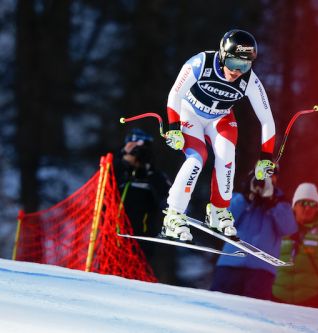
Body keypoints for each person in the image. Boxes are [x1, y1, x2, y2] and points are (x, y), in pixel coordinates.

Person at [159, 29, 276, 242]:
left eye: (245, 65)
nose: (237, 72)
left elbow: (267, 119)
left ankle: (218, 211)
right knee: (197, 159)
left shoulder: (250, 81)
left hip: (220, 118)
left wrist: (266, 158)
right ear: (222, 55)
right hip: (190, 113)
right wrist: (174, 126)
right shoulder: (200, 63)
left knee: (227, 156)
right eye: (233, 64)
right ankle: (174, 215)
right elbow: (175, 93)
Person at [210, 169, 296, 300]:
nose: (266, 179)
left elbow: (289, 228)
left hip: (261, 270)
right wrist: (246, 197)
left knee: (252, 314)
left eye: (271, 175)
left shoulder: (282, 204)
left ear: (276, 179)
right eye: (262, 174)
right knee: (218, 305)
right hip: (230, 264)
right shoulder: (239, 198)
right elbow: (223, 220)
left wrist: (272, 204)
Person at [114, 128, 177, 284]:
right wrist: (125, 163)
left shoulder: (155, 175)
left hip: (141, 239)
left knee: (135, 280)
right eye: (133, 148)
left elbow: (168, 199)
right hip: (112, 235)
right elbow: (104, 188)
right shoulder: (116, 170)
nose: (137, 153)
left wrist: (149, 171)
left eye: (140, 149)